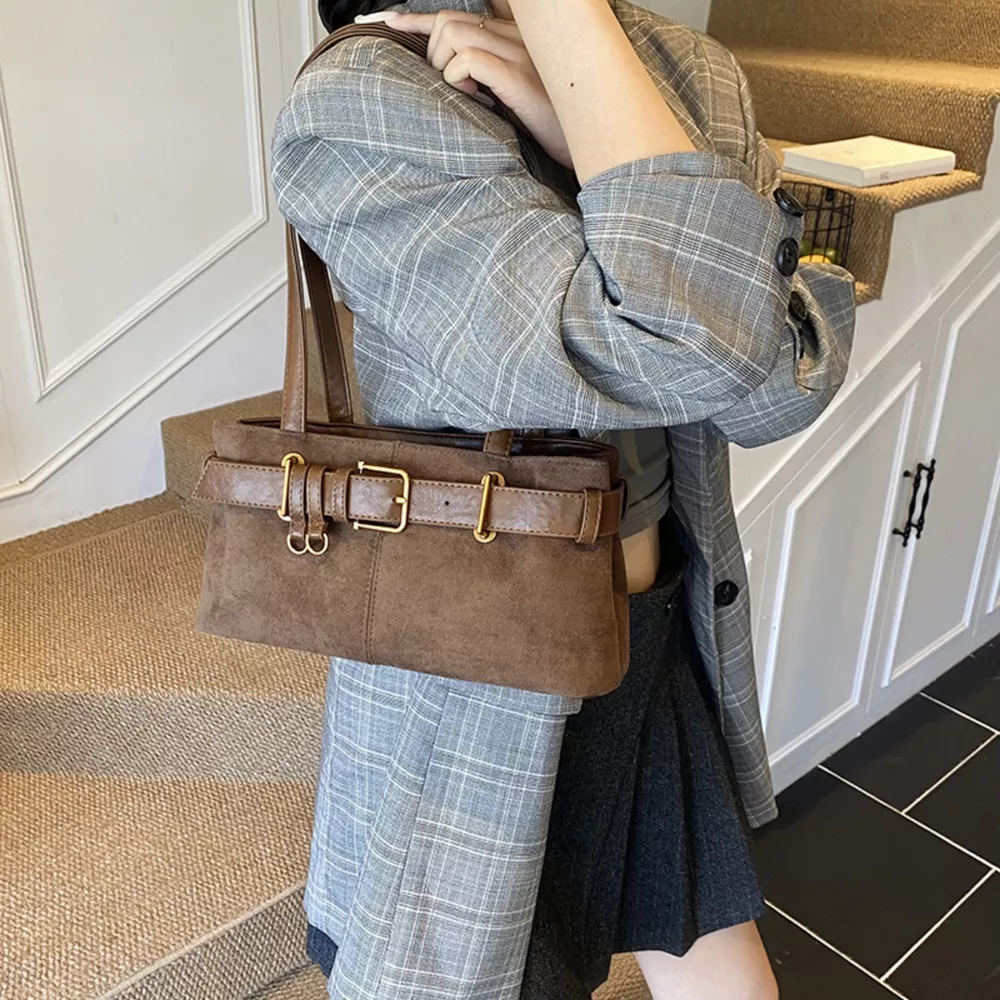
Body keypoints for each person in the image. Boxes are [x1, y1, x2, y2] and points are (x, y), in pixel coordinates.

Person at [271, 2, 857, 998]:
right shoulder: (366, 94)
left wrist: (578, 126)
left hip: (653, 632)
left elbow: (774, 394)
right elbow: (686, 344)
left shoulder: (688, 70)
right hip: (474, 675)